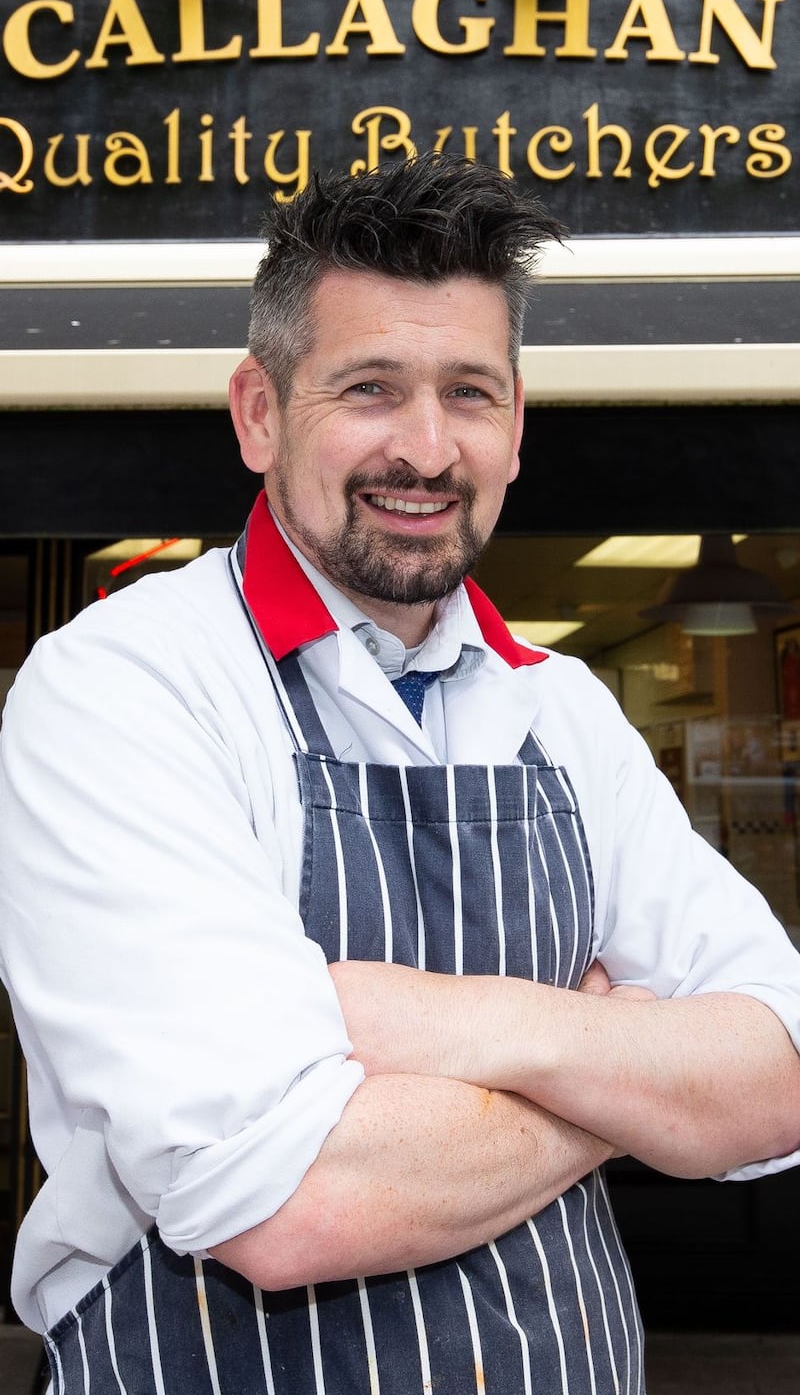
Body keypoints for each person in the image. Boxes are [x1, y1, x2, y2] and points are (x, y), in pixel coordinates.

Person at [1, 154, 799, 1395]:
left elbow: (776, 1078)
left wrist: (430, 1024)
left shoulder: (564, 711)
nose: (425, 450)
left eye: (468, 393)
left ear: (517, 426)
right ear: (259, 412)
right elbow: (284, 1205)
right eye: (369, 388)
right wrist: (626, 1063)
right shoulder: (128, 685)